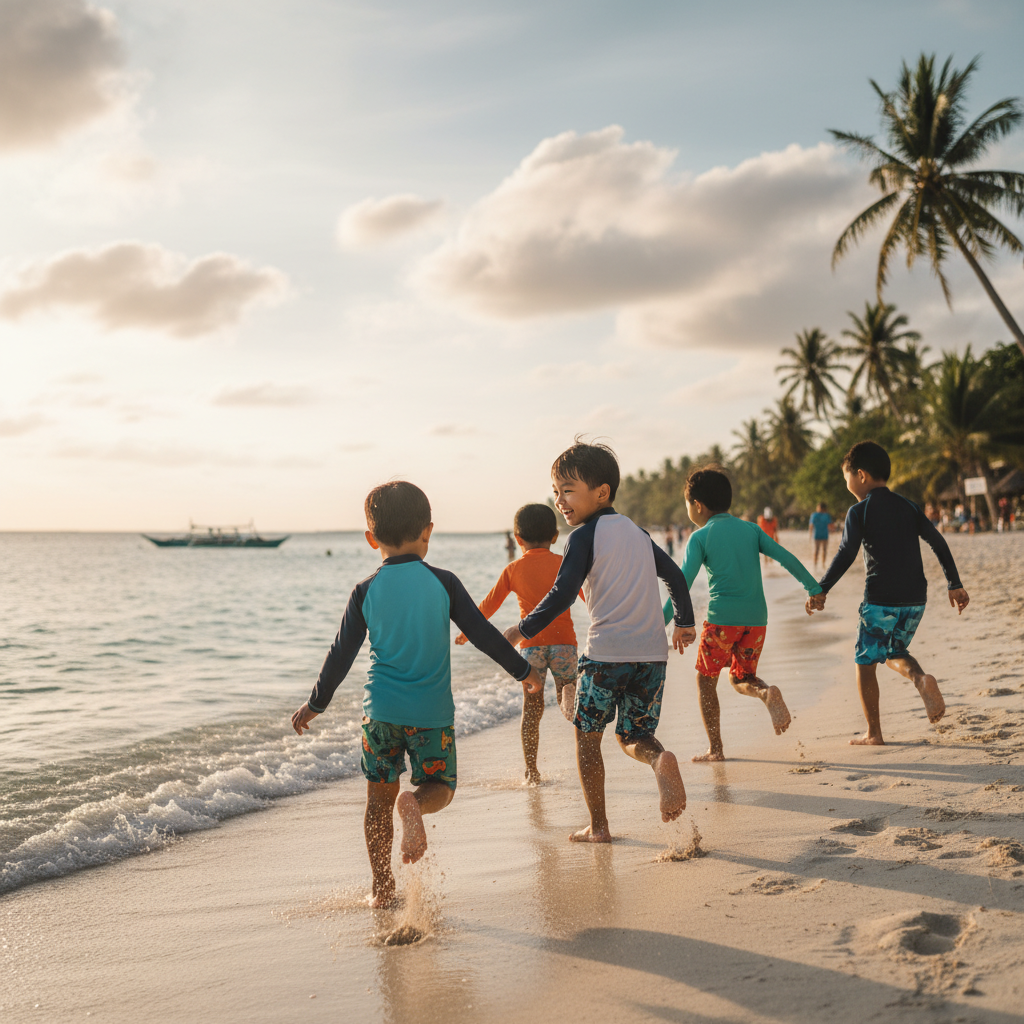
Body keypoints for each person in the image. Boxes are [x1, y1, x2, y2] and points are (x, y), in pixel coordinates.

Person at [291, 481, 543, 906]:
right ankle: (415, 804)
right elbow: (482, 634)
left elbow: (340, 654)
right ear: (428, 532)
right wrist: (522, 670)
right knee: (440, 785)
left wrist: (316, 703)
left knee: (377, 803)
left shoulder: (365, 591)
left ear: (371, 539)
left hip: (379, 715)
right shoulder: (443, 582)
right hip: (431, 715)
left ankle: (381, 889)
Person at [502, 440, 696, 843]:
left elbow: (562, 594)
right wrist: (684, 622)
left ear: (601, 492)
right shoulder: (638, 533)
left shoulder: (582, 537)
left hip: (606, 655)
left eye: (567, 490)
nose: (559, 500)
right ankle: (659, 759)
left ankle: (600, 826)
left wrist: (522, 629)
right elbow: (675, 577)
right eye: (556, 492)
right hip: (652, 656)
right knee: (634, 735)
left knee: (588, 737)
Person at [807, 442, 970, 745]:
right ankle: (920, 679)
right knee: (895, 651)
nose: (847, 484)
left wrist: (821, 588)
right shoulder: (909, 506)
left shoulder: (859, 511)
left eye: (847, 478)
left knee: (865, 662)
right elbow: (937, 541)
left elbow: (846, 553)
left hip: (881, 599)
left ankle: (874, 733)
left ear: (861, 475)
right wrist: (954, 583)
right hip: (915, 598)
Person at [664, 468, 824, 762]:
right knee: (741, 677)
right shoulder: (751, 530)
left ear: (697, 505)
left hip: (722, 621)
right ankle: (765, 693)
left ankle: (716, 749)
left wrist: (659, 623)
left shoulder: (700, 538)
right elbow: (785, 557)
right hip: (756, 620)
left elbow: (681, 584)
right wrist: (813, 587)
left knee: (705, 680)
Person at [455, 502, 579, 784]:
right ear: (555, 536)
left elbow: (488, 605)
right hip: (565, 644)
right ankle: (566, 696)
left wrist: (467, 631)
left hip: (530, 646)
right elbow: (588, 595)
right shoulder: (564, 564)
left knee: (532, 711)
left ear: (517, 539)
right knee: (566, 695)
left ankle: (532, 771)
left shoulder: (513, 569)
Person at [808, 501, 833, 568]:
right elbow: (830, 526)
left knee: (816, 550)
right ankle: (822, 565)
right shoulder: (826, 515)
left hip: (817, 535)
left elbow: (811, 526)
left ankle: (816, 565)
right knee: (824, 551)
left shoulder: (814, 515)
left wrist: (810, 535)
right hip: (824, 535)